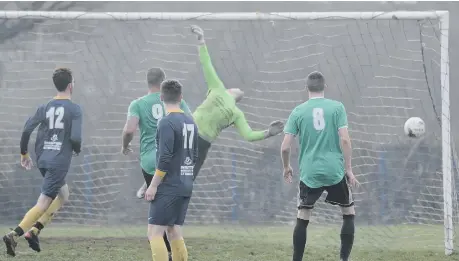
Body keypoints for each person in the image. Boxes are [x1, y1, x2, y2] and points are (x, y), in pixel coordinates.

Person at [280, 71, 359, 261]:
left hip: (310, 173)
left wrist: (286, 167)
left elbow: (284, 147)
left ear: (306, 88)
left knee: (303, 215)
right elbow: (346, 141)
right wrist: (348, 169)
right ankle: (343, 259)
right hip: (335, 171)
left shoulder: (298, 111)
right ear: (325, 87)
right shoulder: (337, 108)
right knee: (348, 212)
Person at [3, 68, 82, 256]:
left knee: (63, 194)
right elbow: (76, 138)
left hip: (43, 158)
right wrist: (76, 149)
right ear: (71, 86)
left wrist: (24, 153)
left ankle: (34, 231)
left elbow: (26, 130)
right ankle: (15, 234)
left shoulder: (44, 107)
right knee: (44, 202)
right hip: (58, 162)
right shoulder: (75, 109)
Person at [121, 67, 191, 260]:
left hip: (154, 163)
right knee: (171, 224)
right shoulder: (179, 103)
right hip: (180, 167)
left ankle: (166, 253)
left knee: (155, 229)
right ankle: (170, 252)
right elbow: (190, 124)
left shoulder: (138, 104)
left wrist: (125, 146)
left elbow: (129, 130)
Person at [144, 79, 198, 261]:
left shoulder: (166, 122)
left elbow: (165, 158)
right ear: (181, 98)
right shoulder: (191, 122)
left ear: (161, 97)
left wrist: (152, 186)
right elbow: (194, 155)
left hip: (170, 184)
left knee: (154, 232)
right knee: (173, 229)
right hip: (186, 183)